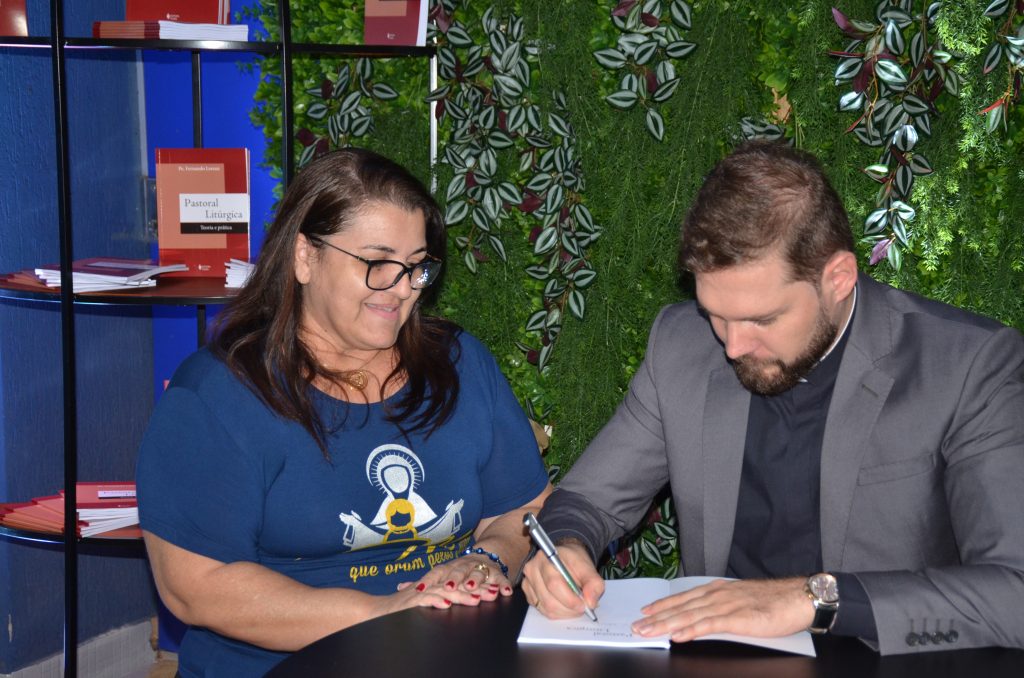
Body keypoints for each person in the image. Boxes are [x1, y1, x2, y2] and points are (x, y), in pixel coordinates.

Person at [522, 140, 1024, 655]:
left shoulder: (966, 366)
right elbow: (588, 498)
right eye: (716, 314)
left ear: (839, 278)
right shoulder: (681, 345)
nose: (734, 346)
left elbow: (1015, 593)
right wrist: (565, 547)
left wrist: (814, 600)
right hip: (718, 658)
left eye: (762, 319)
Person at [137, 148, 552, 676]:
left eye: (416, 266)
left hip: (449, 655)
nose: (401, 288)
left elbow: (527, 508)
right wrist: (384, 614)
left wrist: (486, 560)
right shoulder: (216, 396)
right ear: (305, 257)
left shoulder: (460, 363)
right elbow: (197, 588)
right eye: (377, 263)